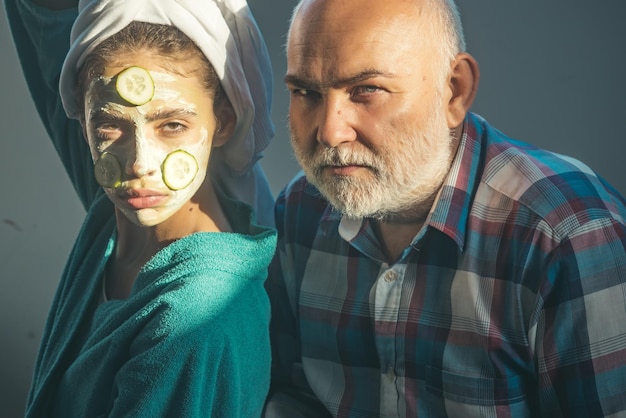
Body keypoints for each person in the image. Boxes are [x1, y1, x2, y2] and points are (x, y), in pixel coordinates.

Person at [264, 0, 626, 417]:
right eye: (305, 93)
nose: (330, 131)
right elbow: (294, 398)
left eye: (367, 90)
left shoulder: (565, 232)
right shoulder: (300, 210)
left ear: (454, 90)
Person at [6, 0, 277, 416]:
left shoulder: (193, 323)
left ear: (223, 121)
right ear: (83, 124)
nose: (138, 165)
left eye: (172, 125)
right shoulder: (117, 214)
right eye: (110, 125)